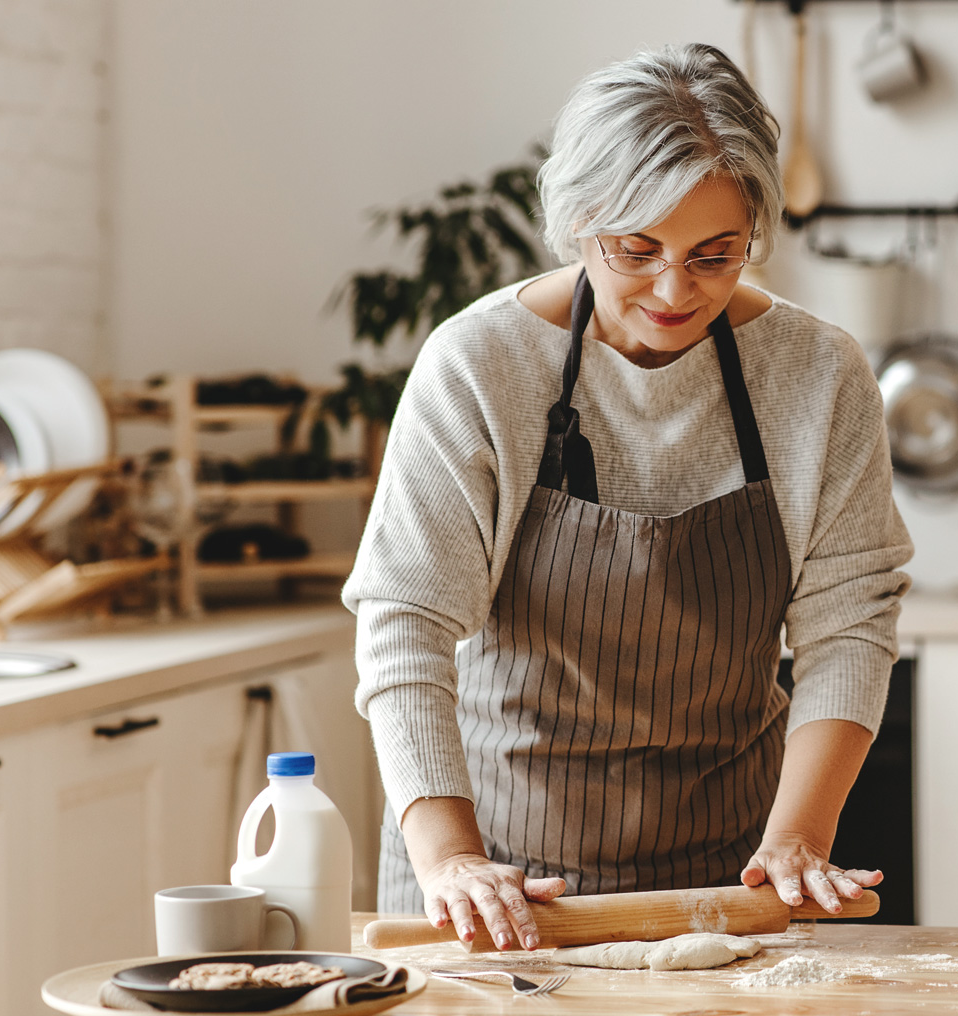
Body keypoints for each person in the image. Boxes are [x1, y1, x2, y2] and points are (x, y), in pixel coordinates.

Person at [344, 44, 912, 952]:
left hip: (731, 874)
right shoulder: (480, 366)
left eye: (716, 254)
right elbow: (405, 620)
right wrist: (449, 858)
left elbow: (850, 621)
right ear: (577, 224)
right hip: (500, 880)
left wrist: (799, 835)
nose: (675, 289)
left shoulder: (817, 373)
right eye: (636, 250)